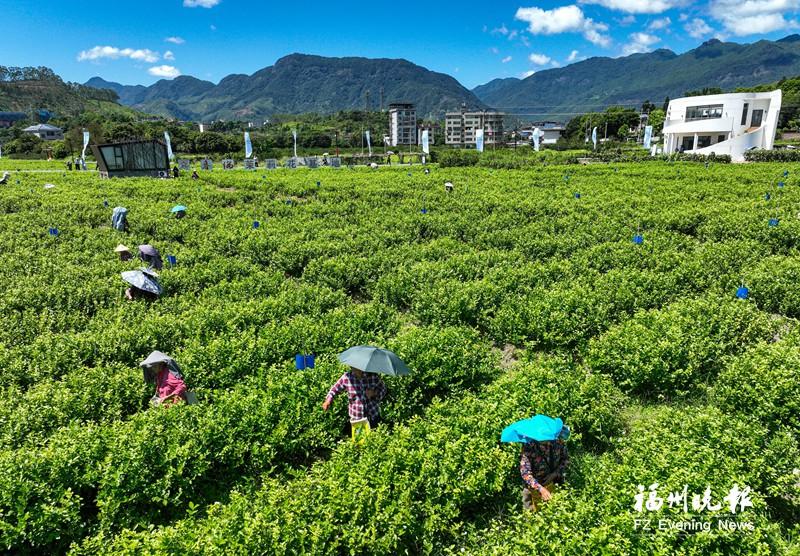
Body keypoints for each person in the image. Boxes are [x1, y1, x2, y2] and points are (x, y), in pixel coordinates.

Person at [322, 366, 387, 435]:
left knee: (376, 440)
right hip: (357, 419)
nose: (354, 369)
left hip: (373, 416)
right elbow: (334, 390)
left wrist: (374, 393)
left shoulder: (373, 376)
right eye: (353, 367)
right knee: (360, 442)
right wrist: (328, 400)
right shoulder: (347, 377)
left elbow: (383, 389)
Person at [520, 425, 570, 512]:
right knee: (530, 518)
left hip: (553, 483)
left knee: (554, 513)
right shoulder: (528, 447)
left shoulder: (558, 443)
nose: (547, 442)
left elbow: (565, 460)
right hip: (532, 488)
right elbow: (525, 474)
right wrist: (541, 489)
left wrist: (554, 474)